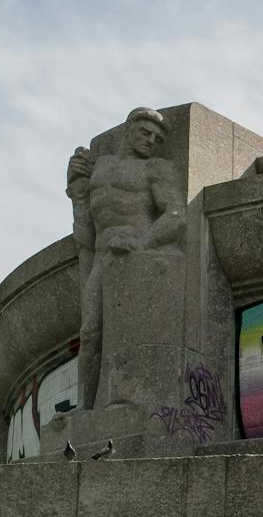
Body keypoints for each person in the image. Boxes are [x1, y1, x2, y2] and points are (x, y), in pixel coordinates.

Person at [65, 107, 184, 410]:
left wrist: (141, 242)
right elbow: (87, 222)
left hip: (136, 257)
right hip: (103, 256)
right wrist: (76, 186)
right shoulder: (101, 166)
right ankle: (85, 407)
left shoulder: (155, 168)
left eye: (157, 138)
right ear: (128, 130)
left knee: (126, 335)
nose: (150, 141)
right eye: (145, 133)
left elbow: (176, 216)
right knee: (90, 334)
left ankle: (127, 401)